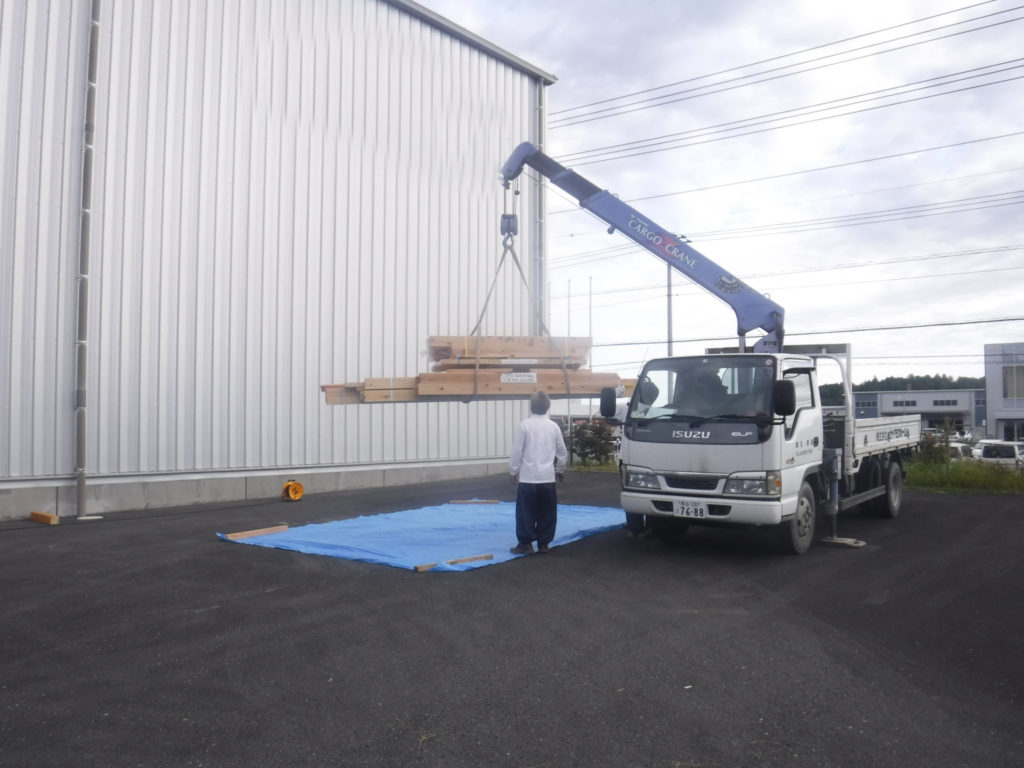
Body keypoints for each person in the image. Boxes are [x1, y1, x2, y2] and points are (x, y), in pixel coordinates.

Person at [508, 390, 568, 555]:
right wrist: (560, 469)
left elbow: (517, 451)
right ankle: (544, 543)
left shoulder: (525, 425)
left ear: (531, 406)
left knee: (525, 513)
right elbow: (562, 452)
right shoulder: (553, 426)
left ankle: (525, 544)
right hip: (547, 477)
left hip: (528, 478)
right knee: (547, 512)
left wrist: (513, 471)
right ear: (548, 406)